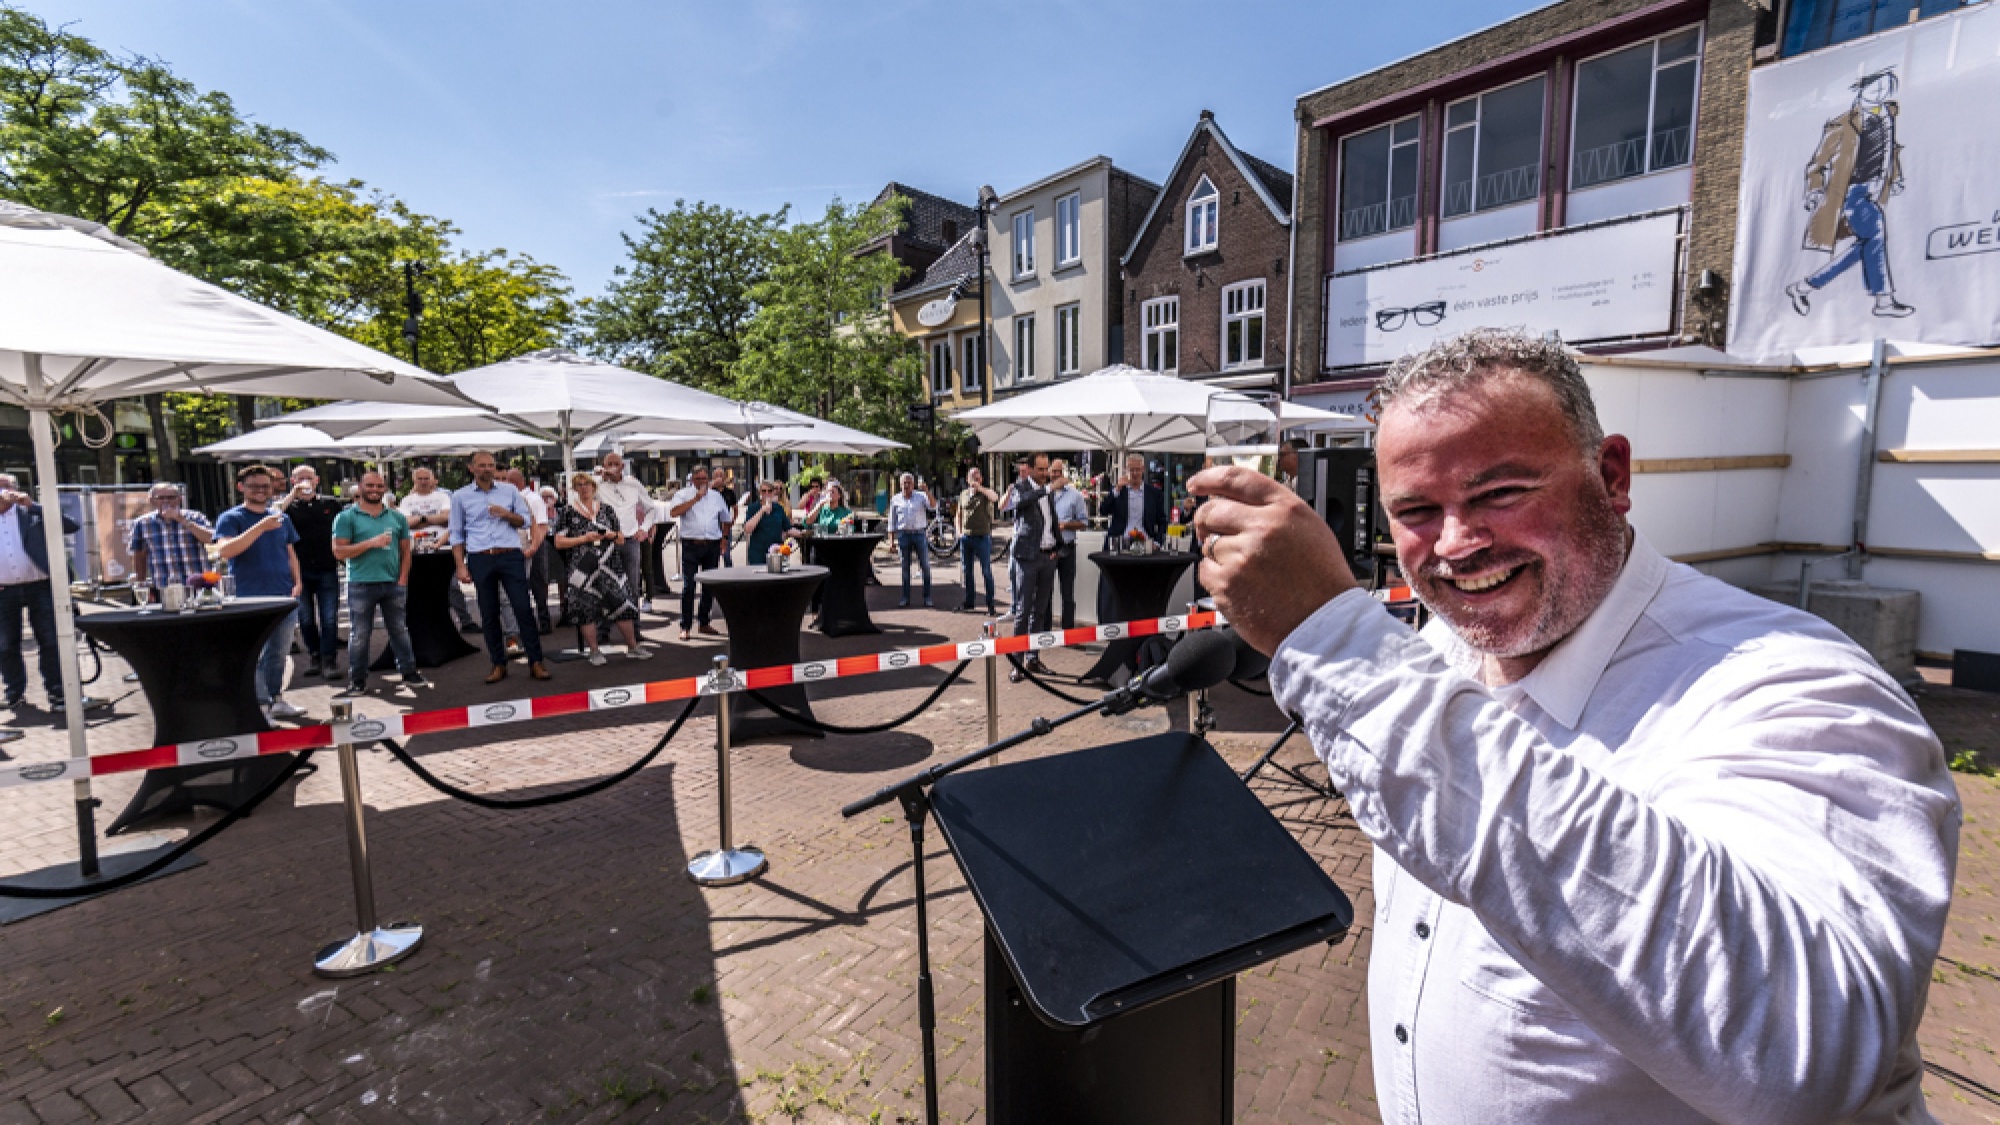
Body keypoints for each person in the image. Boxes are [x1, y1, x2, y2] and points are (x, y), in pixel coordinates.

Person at [1191, 328, 1958, 1122]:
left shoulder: (1795, 684)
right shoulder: (1443, 649)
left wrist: (1338, 642)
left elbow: (1808, 1043)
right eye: (1417, 511)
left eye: (1500, 493)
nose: (1457, 544)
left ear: (1612, 476)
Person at [214, 465, 306, 720]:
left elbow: (290, 552)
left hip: (283, 595)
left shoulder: (281, 518)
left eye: (266, 486)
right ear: (241, 487)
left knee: (279, 652)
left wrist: (298, 582)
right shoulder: (231, 518)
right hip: (248, 597)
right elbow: (225, 551)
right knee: (254, 653)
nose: (261, 491)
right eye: (254, 486)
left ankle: (276, 699)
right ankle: (259, 705)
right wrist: (259, 528)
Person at [449, 450, 548, 684]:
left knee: (523, 608)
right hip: (480, 557)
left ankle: (536, 661)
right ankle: (498, 663)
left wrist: (506, 514)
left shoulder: (510, 491)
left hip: (509, 555)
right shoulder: (460, 497)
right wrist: (460, 566)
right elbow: (456, 534)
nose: (487, 469)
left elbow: (524, 520)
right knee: (488, 613)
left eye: (490, 465)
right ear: (471, 468)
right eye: (481, 465)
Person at [330, 471, 424, 696]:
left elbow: (405, 552)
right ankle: (358, 679)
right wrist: (370, 543)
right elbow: (338, 551)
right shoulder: (346, 517)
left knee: (399, 630)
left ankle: (409, 671)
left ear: (385, 489)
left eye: (379, 486)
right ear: (360, 487)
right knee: (360, 635)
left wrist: (402, 579)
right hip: (361, 584)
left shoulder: (397, 517)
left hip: (393, 583)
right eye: (370, 485)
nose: (375, 490)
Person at [0, 475, 85, 715]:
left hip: (41, 586)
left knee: (50, 640)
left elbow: (72, 525)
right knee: (5, 645)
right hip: (4, 590)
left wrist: (33, 505)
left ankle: (58, 692)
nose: (3, 492)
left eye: (6, 487)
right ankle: (13, 693)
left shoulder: (33, 513)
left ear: (16, 490)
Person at [553, 472, 651, 665]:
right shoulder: (568, 511)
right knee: (585, 609)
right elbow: (558, 542)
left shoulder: (606, 510)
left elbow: (622, 538)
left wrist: (610, 535)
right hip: (582, 568)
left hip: (610, 566)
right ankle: (594, 651)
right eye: (579, 485)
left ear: (593, 487)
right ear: (574, 489)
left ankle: (632, 647)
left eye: (587, 484)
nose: (584, 488)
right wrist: (584, 538)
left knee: (622, 604)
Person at [276, 465, 347, 680]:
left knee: (328, 618)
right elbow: (273, 514)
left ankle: (329, 659)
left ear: (316, 480)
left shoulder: (331, 504)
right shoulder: (288, 506)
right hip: (299, 571)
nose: (305, 482)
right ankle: (314, 656)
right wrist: (292, 495)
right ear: (292, 481)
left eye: (308, 478)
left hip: (326, 568)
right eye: (300, 479)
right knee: (305, 619)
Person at [401, 467, 477, 633]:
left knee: (452, 587)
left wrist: (421, 519)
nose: (423, 481)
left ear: (433, 480)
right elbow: (405, 523)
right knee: (419, 588)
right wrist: (433, 519)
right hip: (417, 550)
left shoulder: (443, 496)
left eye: (426, 478)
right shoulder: (407, 500)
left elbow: (448, 518)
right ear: (414, 481)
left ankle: (465, 621)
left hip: (444, 547)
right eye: (419, 479)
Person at [1006, 452, 1059, 682]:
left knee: (1040, 611)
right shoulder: (1021, 488)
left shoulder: (1046, 490)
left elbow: (1050, 521)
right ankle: (1017, 663)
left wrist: (1057, 546)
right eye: (1041, 469)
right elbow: (1019, 503)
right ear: (1030, 468)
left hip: (1047, 557)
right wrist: (1047, 489)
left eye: (1047, 469)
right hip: (1027, 557)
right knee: (1023, 611)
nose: (1045, 474)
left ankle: (1033, 657)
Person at [668, 464, 731, 641]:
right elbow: (673, 512)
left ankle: (704, 622)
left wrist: (724, 538)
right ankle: (685, 625)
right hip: (691, 545)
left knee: (709, 586)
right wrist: (696, 498)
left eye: (705, 479)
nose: (702, 482)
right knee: (689, 586)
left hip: (712, 544)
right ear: (692, 479)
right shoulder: (683, 494)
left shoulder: (716, 496)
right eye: (698, 479)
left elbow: (726, 518)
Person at [125, 481, 213, 593]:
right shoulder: (142, 523)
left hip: (199, 586)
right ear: (151, 500)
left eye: (171, 497)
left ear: (179, 499)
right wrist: (141, 585)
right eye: (160, 498)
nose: (166, 501)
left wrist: (182, 520)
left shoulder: (195, 517)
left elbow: (211, 539)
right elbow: (139, 557)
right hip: (164, 587)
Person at [592, 452, 654, 603]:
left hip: (630, 540)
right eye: (609, 464)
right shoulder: (597, 485)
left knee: (632, 583)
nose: (613, 468)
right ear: (604, 466)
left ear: (623, 466)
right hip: (607, 540)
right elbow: (578, 493)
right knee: (607, 582)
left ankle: (634, 620)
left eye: (616, 464)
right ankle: (610, 621)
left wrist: (644, 529)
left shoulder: (633, 484)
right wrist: (600, 476)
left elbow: (651, 508)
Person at [500, 468, 553, 639]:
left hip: (533, 544)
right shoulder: (511, 498)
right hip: (522, 545)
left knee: (537, 583)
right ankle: (527, 622)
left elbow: (542, 526)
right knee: (525, 585)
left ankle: (543, 622)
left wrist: (533, 547)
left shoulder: (533, 499)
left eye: (505, 480)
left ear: (514, 482)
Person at [1047, 461, 1090, 630]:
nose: (1056, 474)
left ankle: (1068, 630)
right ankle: (1045, 631)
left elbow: (1084, 522)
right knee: (1045, 593)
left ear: (1063, 473)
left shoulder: (1075, 495)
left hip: (1067, 547)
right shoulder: (1044, 494)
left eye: (1059, 471)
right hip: (1048, 549)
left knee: (1067, 593)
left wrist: (1065, 525)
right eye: (1053, 471)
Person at [957, 467, 999, 614]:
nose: (975, 479)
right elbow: (959, 514)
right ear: (967, 480)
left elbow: (995, 498)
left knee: (986, 571)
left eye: (977, 476)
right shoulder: (963, 494)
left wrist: (980, 488)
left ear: (981, 478)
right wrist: (958, 531)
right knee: (967, 571)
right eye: (972, 477)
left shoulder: (985, 493)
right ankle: (969, 602)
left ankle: (990, 604)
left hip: (982, 537)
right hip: (966, 538)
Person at [888, 472, 935, 608]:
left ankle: (927, 597)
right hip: (903, 535)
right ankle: (905, 597)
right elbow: (892, 521)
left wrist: (926, 491)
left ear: (913, 485)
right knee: (905, 568)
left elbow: (933, 505)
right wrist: (891, 541)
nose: (906, 485)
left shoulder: (920, 496)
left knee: (925, 566)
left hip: (920, 534)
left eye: (909, 483)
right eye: (904, 483)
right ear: (900, 484)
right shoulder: (895, 499)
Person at [1104, 453, 1167, 544]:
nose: (1134, 473)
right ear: (1126, 470)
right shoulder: (1118, 491)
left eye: (1137, 469)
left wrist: (1157, 542)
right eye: (1131, 470)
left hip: (1145, 542)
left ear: (1143, 469)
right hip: (1120, 542)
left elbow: (1162, 521)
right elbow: (1104, 510)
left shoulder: (1154, 493)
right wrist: (1116, 490)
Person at [742, 480, 792, 567]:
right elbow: (747, 529)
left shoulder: (778, 508)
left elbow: (788, 527)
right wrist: (762, 510)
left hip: (776, 551)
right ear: (760, 492)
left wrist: (802, 533)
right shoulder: (753, 508)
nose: (767, 494)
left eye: (769, 491)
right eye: (764, 491)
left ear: (773, 492)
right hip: (758, 552)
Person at [714, 467, 740, 569]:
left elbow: (735, 507)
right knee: (714, 554)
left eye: (721, 475)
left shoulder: (729, 492)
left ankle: (729, 573)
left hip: (725, 524)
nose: (719, 478)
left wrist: (733, 519)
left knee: (727, 554)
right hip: (714, 524)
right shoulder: (710, 491)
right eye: (717, 476)